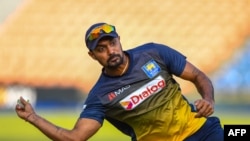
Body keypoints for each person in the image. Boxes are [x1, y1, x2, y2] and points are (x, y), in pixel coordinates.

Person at [15, 22, 224, 141]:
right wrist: (33, 117)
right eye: (101, 49)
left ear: (119, 40)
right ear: (92, 55)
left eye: (112, 43)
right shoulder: (99, 96)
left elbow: (198, 76)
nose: (110, 51)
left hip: (202, 130)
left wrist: (208, 99)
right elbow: (75, 137)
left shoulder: (154, 53)